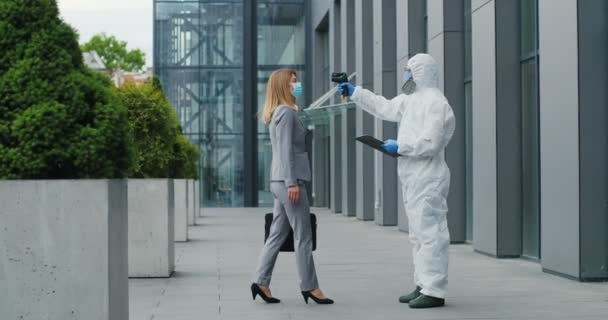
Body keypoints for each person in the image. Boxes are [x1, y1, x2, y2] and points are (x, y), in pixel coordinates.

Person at [338, 53, 455, 309]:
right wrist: (355, 92)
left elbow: (431, 143)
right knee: (417, 235)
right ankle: (423, 283)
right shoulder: (412, 99)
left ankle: (434, 289)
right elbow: (385, 107)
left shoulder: (436, 103)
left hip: (428, 176)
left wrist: (401, 146)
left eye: (408, 71)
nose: (406, 75)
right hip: (413, 175)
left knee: (430, 233)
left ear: (419, 72)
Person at [251, 69, 333, 305]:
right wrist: (292, 183)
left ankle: (261, 281)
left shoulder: (281, 111)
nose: (298, 85)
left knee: (277, 234)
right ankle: (310, 287)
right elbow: (286, 150)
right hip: (289, 182)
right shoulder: (285, 112)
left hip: (279, 181)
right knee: (303, 236)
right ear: (282, 86)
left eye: (297, 81)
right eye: (293, 82)